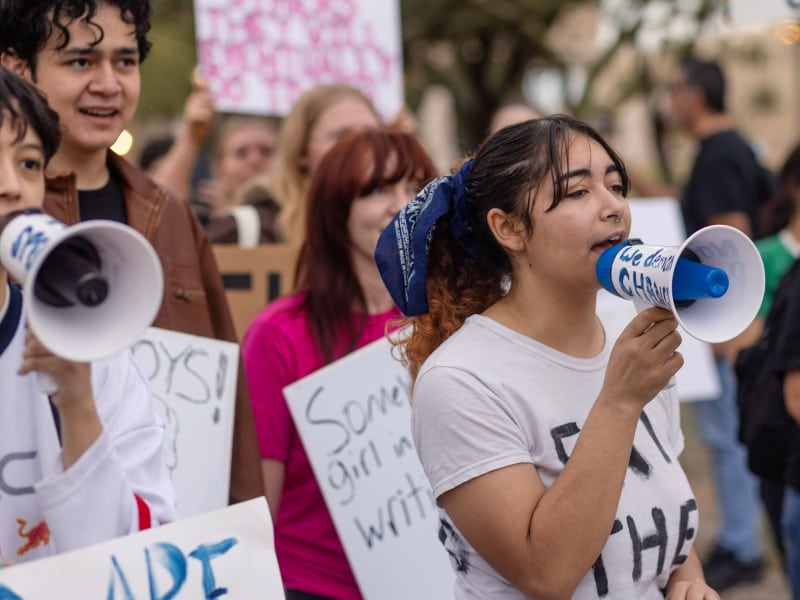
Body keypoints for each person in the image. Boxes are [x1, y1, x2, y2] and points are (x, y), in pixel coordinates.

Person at [375, 115, 718, 599]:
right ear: (510, 228)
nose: (614, 208)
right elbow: (545, 573)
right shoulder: (461, 380)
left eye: (616, 186)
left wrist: (689, 581)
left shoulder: (629, 346)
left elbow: (667, 523)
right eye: (578, 193)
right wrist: (619, 402)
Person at [0, 0, 264, 505]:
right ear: (16, 67)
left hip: (177, 531)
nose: (109, 83)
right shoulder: (13, 214)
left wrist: (247, 531)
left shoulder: (170, 214)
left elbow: (229, 400)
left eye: (124, 61)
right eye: (81, 61)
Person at [242, 129, 437, 599]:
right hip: (312, 586)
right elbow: (256, 503)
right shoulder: (279, 333)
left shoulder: (453, 320)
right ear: (335, 210)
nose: (402, 203)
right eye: (377, 190)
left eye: (416, 189)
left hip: (440, 579)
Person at [0, 67, 174, 565]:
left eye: (29, 163)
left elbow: (143, 559)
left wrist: (76, 407)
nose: (12, 186)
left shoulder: (87, 352)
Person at [665, 56, 769, 590]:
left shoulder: (717, 157)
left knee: (727, 437)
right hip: (738, 329)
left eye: (674, 88)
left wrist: (725, 334)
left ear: (696, 94)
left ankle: (742, 546)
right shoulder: (735, 148)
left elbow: (732, 244)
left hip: (729, 331)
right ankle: (741, 539)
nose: (669, 100)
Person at [237, 83, 382, 247]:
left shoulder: (399, 224)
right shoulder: (250, 229)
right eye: (342, 137)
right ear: (302, 151)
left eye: (371, 136)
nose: (360, 149)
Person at [200, 114, 282, 246]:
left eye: (266, 151)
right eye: (241, 153)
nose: (254, 161)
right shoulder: (201, 222)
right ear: (218, 169)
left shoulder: (297, 222)